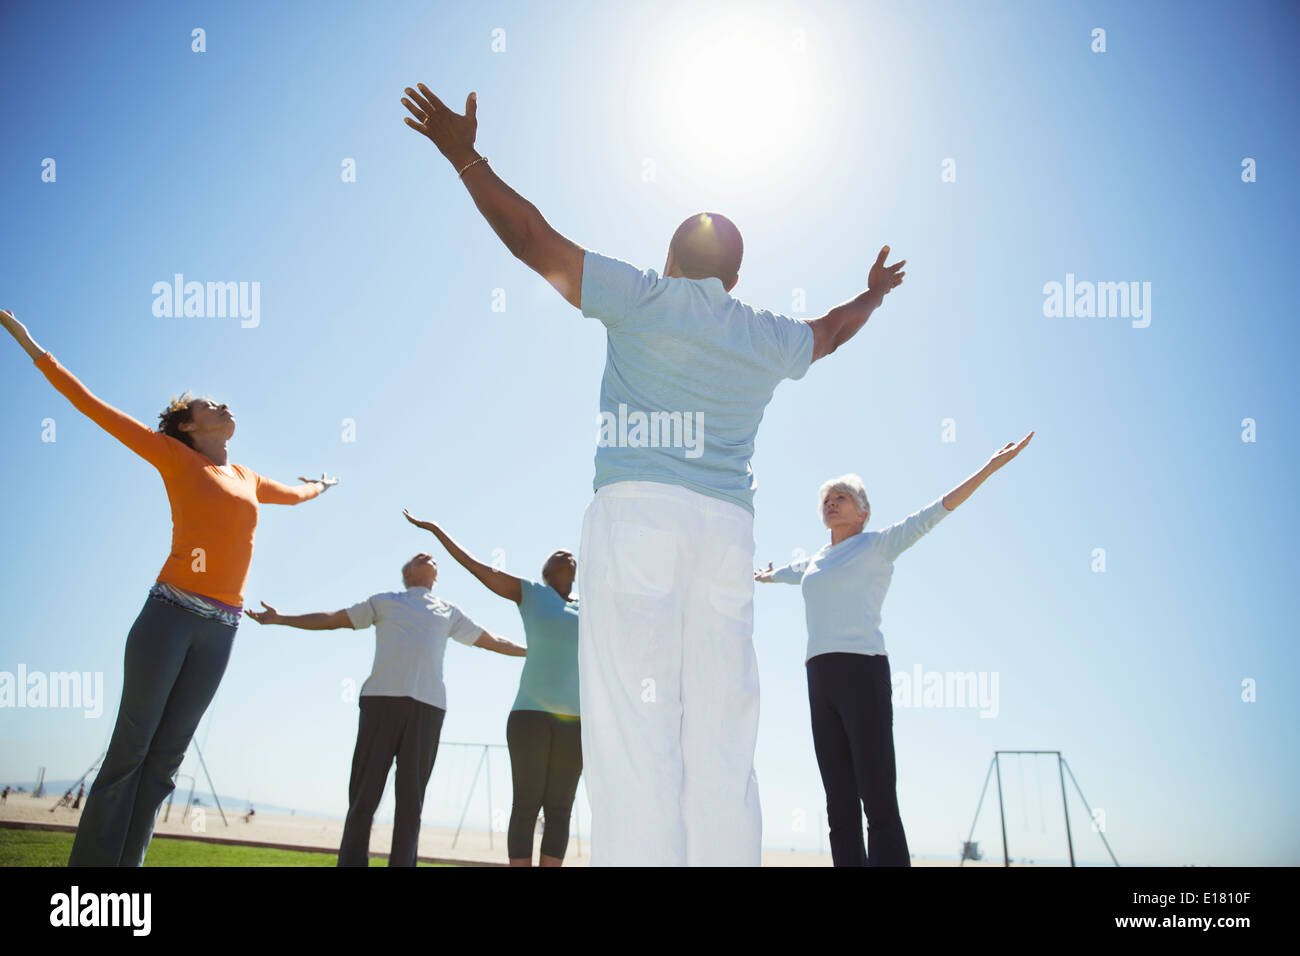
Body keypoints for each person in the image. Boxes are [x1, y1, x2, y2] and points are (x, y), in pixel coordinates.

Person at [399, 83, 905, 865]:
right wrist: (871, 294)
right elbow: (834, 331)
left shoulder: (641, 295)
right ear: (734, 278)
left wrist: (464, 155)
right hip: (727, 535)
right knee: (720, 736)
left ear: (672, 259)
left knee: (635, 738)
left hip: (637, 518)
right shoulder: (767, 336)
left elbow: (531, 237)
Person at [0, 308, 335, 867]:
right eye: (210, 405)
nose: (224, 405)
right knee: (130, 752)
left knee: (166, 762)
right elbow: (88, 404)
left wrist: (321, 484)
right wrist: (27, 340)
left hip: (222, 629)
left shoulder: (247, 477)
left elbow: (291, 496)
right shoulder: (173, 456)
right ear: (187, 426)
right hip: (169, 618)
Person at [756, 433, 1034, 866]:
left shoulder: (879, 544)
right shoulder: (813, 562)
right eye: (827, 498)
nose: (831, 502)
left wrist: (990, 467)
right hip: (819, 677)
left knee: (877, 796)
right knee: (838, 802)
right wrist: (768, 577)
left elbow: (936, 510)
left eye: (842, 497)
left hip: (862, 672)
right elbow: (791, 573)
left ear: (862, 512)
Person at [246, 549, 526, 867]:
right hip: (381, 703)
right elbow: (332, 619)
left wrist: (532, 652)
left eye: (431, 559)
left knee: (411, 802)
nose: (428, 556)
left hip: (428, 708)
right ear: (407, 574)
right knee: (364, 795)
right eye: (419, 558)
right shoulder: (385, 601)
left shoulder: (449, 611)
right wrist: (281, 618)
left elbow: (491, 640)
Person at [403, 509, 580, 867]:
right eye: (557, 555)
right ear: (546, 572)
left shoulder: (590, 608)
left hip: (575, 721)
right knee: (527, 804)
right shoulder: (531, 593)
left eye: (570, 554)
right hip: (529, 714)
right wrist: (437, 530)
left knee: (560, 808)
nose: (566, 554)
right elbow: (477, 566)